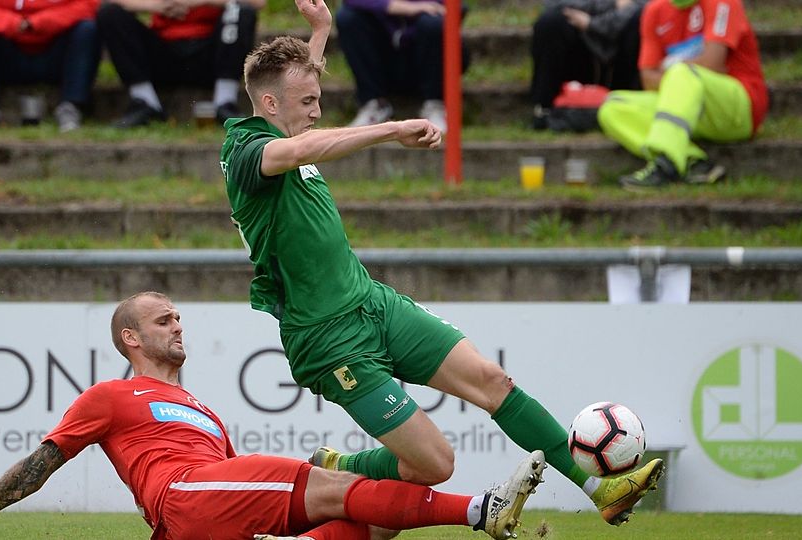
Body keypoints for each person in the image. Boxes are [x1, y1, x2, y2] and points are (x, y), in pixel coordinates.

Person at [220, 0, 664, 531]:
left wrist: (320, 33)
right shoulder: (246, 151)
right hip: (326, 338)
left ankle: (601, 489)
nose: (317, 109)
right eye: (307, 101)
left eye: (318, 98)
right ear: (269, 103)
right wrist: (390, 128)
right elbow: (300, 145)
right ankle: (342, 468)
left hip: (372, 304)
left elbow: (296, 106)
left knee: (491, 379)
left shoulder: (285, 124)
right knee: (435, 464)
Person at [0, 292, 549, 540]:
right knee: (332, 489)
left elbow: (238, 489)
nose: (177, 324)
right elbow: (38, 467)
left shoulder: (207, 414)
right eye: (162, 320)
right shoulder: (111, 397)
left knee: (367, 527)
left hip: (206, 509)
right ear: (129, 339)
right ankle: (480, 511)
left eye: (177, 317)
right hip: (180, 499)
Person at [597, 0, 769, 190]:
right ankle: (693, 161)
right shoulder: (655, 10)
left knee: (681, 72)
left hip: (738, 108)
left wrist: (671, 69)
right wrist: (679, 73)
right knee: (612, 106)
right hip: (687, 108)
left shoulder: (722, 2)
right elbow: (647, 80)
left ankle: (665, 163)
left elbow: (713, 63)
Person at [96, 0, 264, 129]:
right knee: (109, 13)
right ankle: (145, 102)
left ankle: (225, 103)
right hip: (163, 54)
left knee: (240, 10)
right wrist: (156, 5)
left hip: (210, 55)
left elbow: (257, 2)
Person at [0, 0, 101, 132]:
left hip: (57, 54)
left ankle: (71, 107)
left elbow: (86, 5)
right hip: (7, 51)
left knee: (87, 30)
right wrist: (15, 24)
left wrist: (37, 23)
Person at [334, 0, 469, 132]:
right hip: (386, 60)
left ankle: (436, 106)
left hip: (428, 57)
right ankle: (374, 105)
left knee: (433, 23)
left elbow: (455, 7)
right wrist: (395, 6)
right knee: (348, 17)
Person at [530, 0, 646, 130]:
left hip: (624, 50)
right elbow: (554, 4)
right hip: (581, 49)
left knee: (642, 18)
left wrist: (591, 23)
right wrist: (612, 4)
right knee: (550, 21)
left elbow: (646, 5)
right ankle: (545, 109)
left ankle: (632, 108)